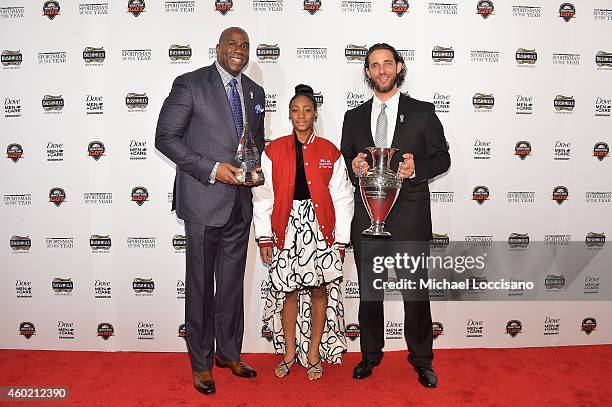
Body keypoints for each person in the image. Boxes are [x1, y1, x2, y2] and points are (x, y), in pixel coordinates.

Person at [155, 27, 265, 396]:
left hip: (240, 203)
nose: (239, 51)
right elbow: (165, 138)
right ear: (217, 48)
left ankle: (228, 354)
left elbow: (253, 141)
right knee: (201, 287)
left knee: (232, 286)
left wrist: (252, 168)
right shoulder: (189, 84)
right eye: (232, 44)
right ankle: (201, 364)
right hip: (203, 200)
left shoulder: (254, 91)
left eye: (245, 46)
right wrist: (212, 169)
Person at [340, 43, 450, 388]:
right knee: (370, 292)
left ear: (399, 67)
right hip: (367, 218)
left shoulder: (423, 112)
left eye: (388, 63)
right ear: (368, 72)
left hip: (410, 218)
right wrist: (354, 165)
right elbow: (345, 159)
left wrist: (417, 169)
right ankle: (370, 354)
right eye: (375, 65)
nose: (382, 70)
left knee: (415, 293)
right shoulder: (353, 116)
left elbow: (442, 159)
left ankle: (421, 359)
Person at [252, 84, 354, 380]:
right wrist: (264, 236)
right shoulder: (272, 151)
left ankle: (312, 354)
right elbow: (264, 196)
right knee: (288, 292)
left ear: (315, 114)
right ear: (288, 114)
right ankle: (288, 353)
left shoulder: (329, 151)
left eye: (307, 110)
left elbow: (343, 197)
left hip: (320, 228)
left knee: (320, 289)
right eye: (295, 110)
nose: (301, 115)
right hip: (285, 226)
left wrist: (341, 240)